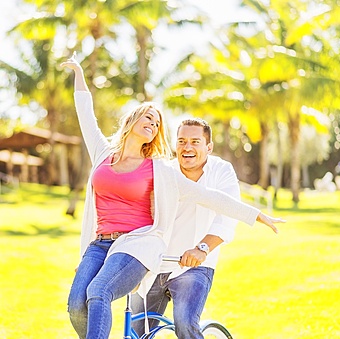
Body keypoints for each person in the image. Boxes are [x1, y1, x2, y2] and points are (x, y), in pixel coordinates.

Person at [60, 52, 284, 339]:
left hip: (138, 245)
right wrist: (79, 73)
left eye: (156, 124)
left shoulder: (159, 170)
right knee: (78, 304)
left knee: (102, 291)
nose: (153, 125)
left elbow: (210, 197)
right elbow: (86, 116)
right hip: (101, 244)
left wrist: (257, 215)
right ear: (131, 121)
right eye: (148, 118)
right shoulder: (103, 154)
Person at [131, 118, 247, 338]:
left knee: (185, 323)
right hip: (154, 263)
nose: (187, 147)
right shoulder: (163, 171)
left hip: (194, 266)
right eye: (182, 141)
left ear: (208, 147)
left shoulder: (221, 171)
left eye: (195, 141)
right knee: (137, 331)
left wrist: (201, 249)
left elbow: (228, 215)